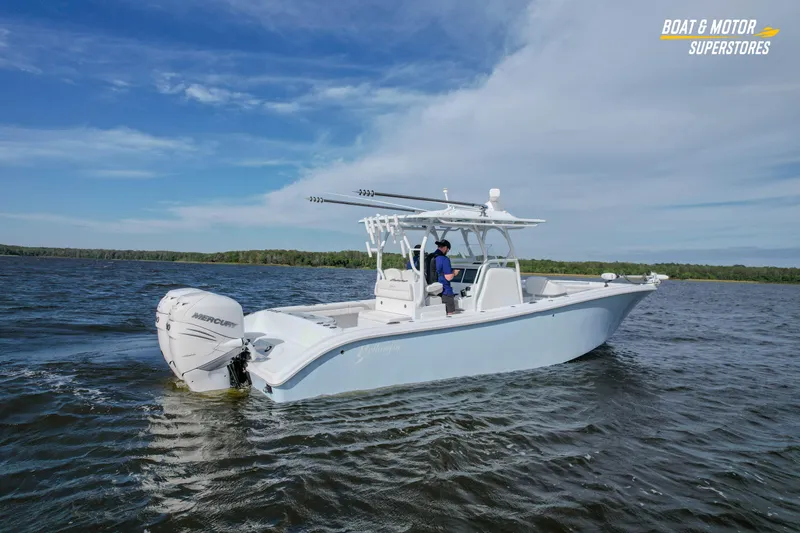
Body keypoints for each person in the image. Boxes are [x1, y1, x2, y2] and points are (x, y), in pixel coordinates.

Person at [431, 240, 460, 315]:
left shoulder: (431, 257)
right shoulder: (444, 259)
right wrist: (454, 272)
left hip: (433, 290)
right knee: (451, 314)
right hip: (445, 291)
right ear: (446, 248)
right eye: (448, 250)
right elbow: (448, 277)